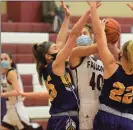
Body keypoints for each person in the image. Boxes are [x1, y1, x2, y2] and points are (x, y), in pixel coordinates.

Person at [21, 2, 101, 130]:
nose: (58, 47)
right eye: (54, 48)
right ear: (48, 56)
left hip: (59, 117)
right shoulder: (56, 65)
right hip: (65, 118)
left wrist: (67, 18)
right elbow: (73, 35)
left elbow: (60, 40)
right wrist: (88, 13)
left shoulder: (50, 66)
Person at [87, 1, 133, 130]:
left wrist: (93, 9)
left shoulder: (111, 66)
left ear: (122, 54)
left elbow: (99, 38)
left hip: (107, 116)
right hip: (127, 121)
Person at [70, 19, 103, 130]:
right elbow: (100, 45)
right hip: (85, 104)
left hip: (101, 104)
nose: (81, 36)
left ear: (92, 36)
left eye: (84, 33)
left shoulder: (99, 61)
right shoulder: (75, 54)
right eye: (79, 34)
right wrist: (101, 32)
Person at [0, 52, 43, 130]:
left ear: (11, 61)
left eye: (5, 59)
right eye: (1, 59)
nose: (3, 61)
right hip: (10, 110)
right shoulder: (3, 74)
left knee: (30, 128)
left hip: (16, 109)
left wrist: (2, 95)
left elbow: (17, 91)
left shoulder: (11, 73)